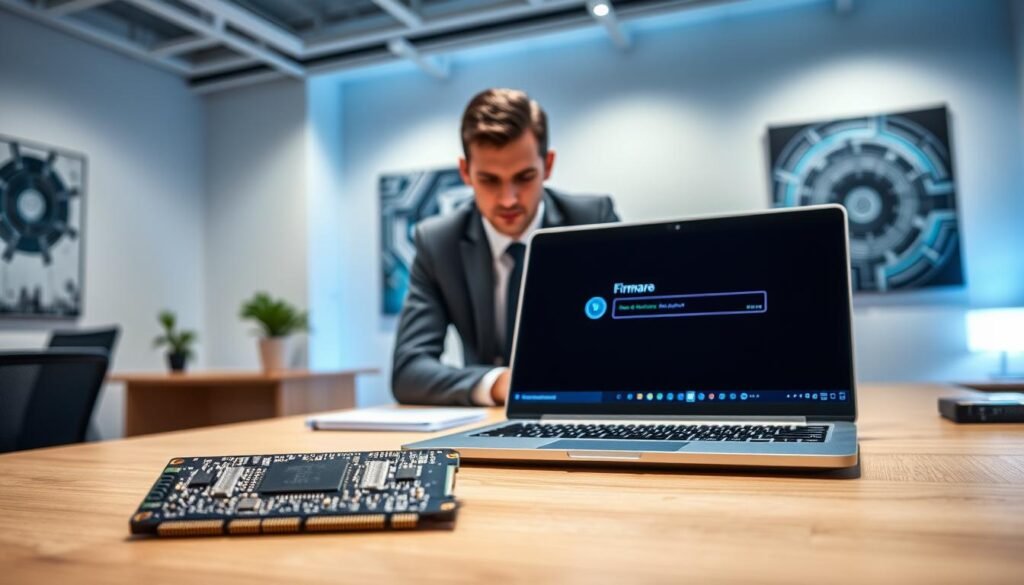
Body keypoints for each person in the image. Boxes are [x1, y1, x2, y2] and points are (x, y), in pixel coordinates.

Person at [391, 88, 619, 406]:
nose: (508, 199)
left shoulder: (593, 220)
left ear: (548, 165)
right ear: (465, 172)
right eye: (489, 180)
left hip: (584, 410)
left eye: (524, 177)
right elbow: (408, 371)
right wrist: (498, 383)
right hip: (489, 419)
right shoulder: (437, 243)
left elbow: (628, 342)